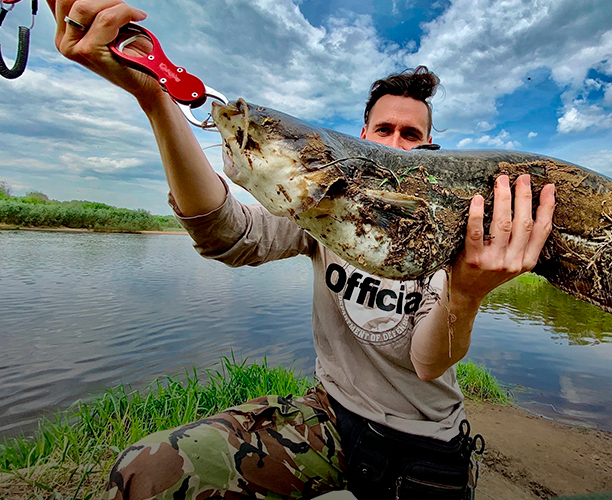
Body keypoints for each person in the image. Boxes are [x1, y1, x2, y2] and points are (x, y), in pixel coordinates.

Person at [47, 1, 556, 499]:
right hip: (330, 413)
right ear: (361, 137)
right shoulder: (322, 211)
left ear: (428, 148)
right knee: (147, 472)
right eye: (384, 130)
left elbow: (427, 362)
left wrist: (465, 293)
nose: (395, 144)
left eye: (410, 134)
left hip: (424, 437)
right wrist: (156, 101)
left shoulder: (448, 231)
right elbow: (226, 234)